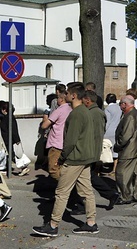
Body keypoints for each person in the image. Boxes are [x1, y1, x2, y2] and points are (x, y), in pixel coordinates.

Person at [32, 84, 100, 238]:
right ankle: (91, 223)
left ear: (74, 96)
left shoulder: (76, 114)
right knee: (87, 191)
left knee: (62, 192)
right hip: (85, 157)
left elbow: (70, 141)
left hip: (75, 158)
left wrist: (62, 158)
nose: (66, 95)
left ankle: (53, 225)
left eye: (68, 93)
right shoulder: (86, 111)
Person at [114, 95, 137, 204]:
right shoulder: (134, 114)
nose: (120, 106)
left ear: (125, 104)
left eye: (120, 104)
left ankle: (125, 196)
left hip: (129, 150)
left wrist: (118, 145)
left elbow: (126, 135)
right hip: (136, 149)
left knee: (122, 173)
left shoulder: (130, 116)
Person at [42, 86, 72, 180]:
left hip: (56, 142)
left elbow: (44, 125)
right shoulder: (71, 109)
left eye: (58, 98)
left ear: (61, 99)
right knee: (63, 168)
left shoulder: (59, 110)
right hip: (66, 141)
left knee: (53, 168)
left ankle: (64, 187)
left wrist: (45, 119)